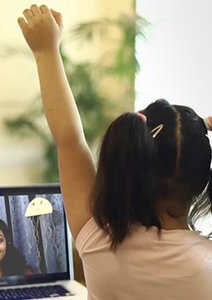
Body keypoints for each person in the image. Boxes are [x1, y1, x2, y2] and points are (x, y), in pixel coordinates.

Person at [17, 4, 212, 299]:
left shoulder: (98, 239)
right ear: (201, 181)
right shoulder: (205, 265)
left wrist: (46, 51)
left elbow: (69, 139)